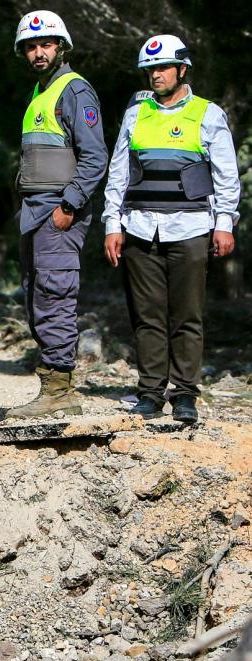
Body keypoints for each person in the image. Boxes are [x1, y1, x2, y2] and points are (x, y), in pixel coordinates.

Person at [103, 35, 239, 424]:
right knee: (146, 316)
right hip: (140, 227)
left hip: (192, 227)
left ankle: (185, 395)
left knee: (187, 315)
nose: (156, 75)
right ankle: (149, 393)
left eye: (163, 68)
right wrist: (113, 224)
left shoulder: (207, 113)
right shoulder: (136, 114)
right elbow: (118, 174)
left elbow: (226, 175)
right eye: (150, 69)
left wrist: (224, 224)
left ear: (182, 69)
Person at [5, 11, 108, 419]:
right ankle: (51, 384)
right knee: (37, 296)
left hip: (56, 211)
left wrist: (69, 205)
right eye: (31, 46)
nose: (38, 51)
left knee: (55, 295)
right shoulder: (39, 92)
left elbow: (95, 156)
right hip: (35, 211)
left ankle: (59, 390)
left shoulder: (74, 90)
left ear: (60, 47)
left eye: (45, 44)